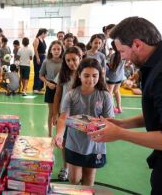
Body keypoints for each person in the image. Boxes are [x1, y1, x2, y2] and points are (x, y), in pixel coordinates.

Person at [89, 16, 162, 194]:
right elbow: (161, 114)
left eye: (122, 50)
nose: (122, 57)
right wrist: (123, 123)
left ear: (137, 44)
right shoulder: (159, 62)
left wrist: (120, 134)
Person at [53, 58, 114, 186]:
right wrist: (59, 135)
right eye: (86, 75)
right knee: (74, 179)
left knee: (89, 178)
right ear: (79, 75)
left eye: (94, 76)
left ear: (100, 76)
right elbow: (63, 117)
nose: (90, 79)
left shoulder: (105, 96)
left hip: (95, 144)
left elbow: (109, 121)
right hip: (74, 143)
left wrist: (99, 124)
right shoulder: (71, 95)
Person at [53, 46, 83, 181]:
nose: (71, 63)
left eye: (74, 59)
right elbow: (57, 94)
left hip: (81, 116)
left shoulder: (86, 74)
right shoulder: (62, 74)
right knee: (64, 142)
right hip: (65, 115)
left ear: (81, 58)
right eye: (68, 60)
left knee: (79, 142)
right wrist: (55, 113)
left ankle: (80, 166)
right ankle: (65, 167)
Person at [39, 41, 63, 137]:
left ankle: (59, 134)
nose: (56, 51)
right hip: (51, 87)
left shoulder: (65, 61)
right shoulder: (46, 61)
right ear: (50, 51)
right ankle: (49, 134)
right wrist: (48, 83)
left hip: (61, 88)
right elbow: (41, 75)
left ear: (62, 50)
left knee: (60, 112)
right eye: (54, 49)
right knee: (52, 112)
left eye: (58, 49)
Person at [106, 41, 125, 114]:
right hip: (120, 76)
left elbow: (112, 67)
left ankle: (113, 108)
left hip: (112, 76)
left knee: (110, 92)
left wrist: (107, 64)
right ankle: (119, 108)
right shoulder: (123, 54)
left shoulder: (114, 55)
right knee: (117, 91)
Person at [32, 28, 47, 93]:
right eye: (46, 33)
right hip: (39, 56)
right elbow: (35, 49)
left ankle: (40, 87)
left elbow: (44, 50)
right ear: (43, 33)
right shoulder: (37, 39)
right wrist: (38, 58)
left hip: (43, 56)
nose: (46, 35)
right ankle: (36, 88)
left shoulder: (43, 40)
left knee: (42, 72)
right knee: (38, 72)